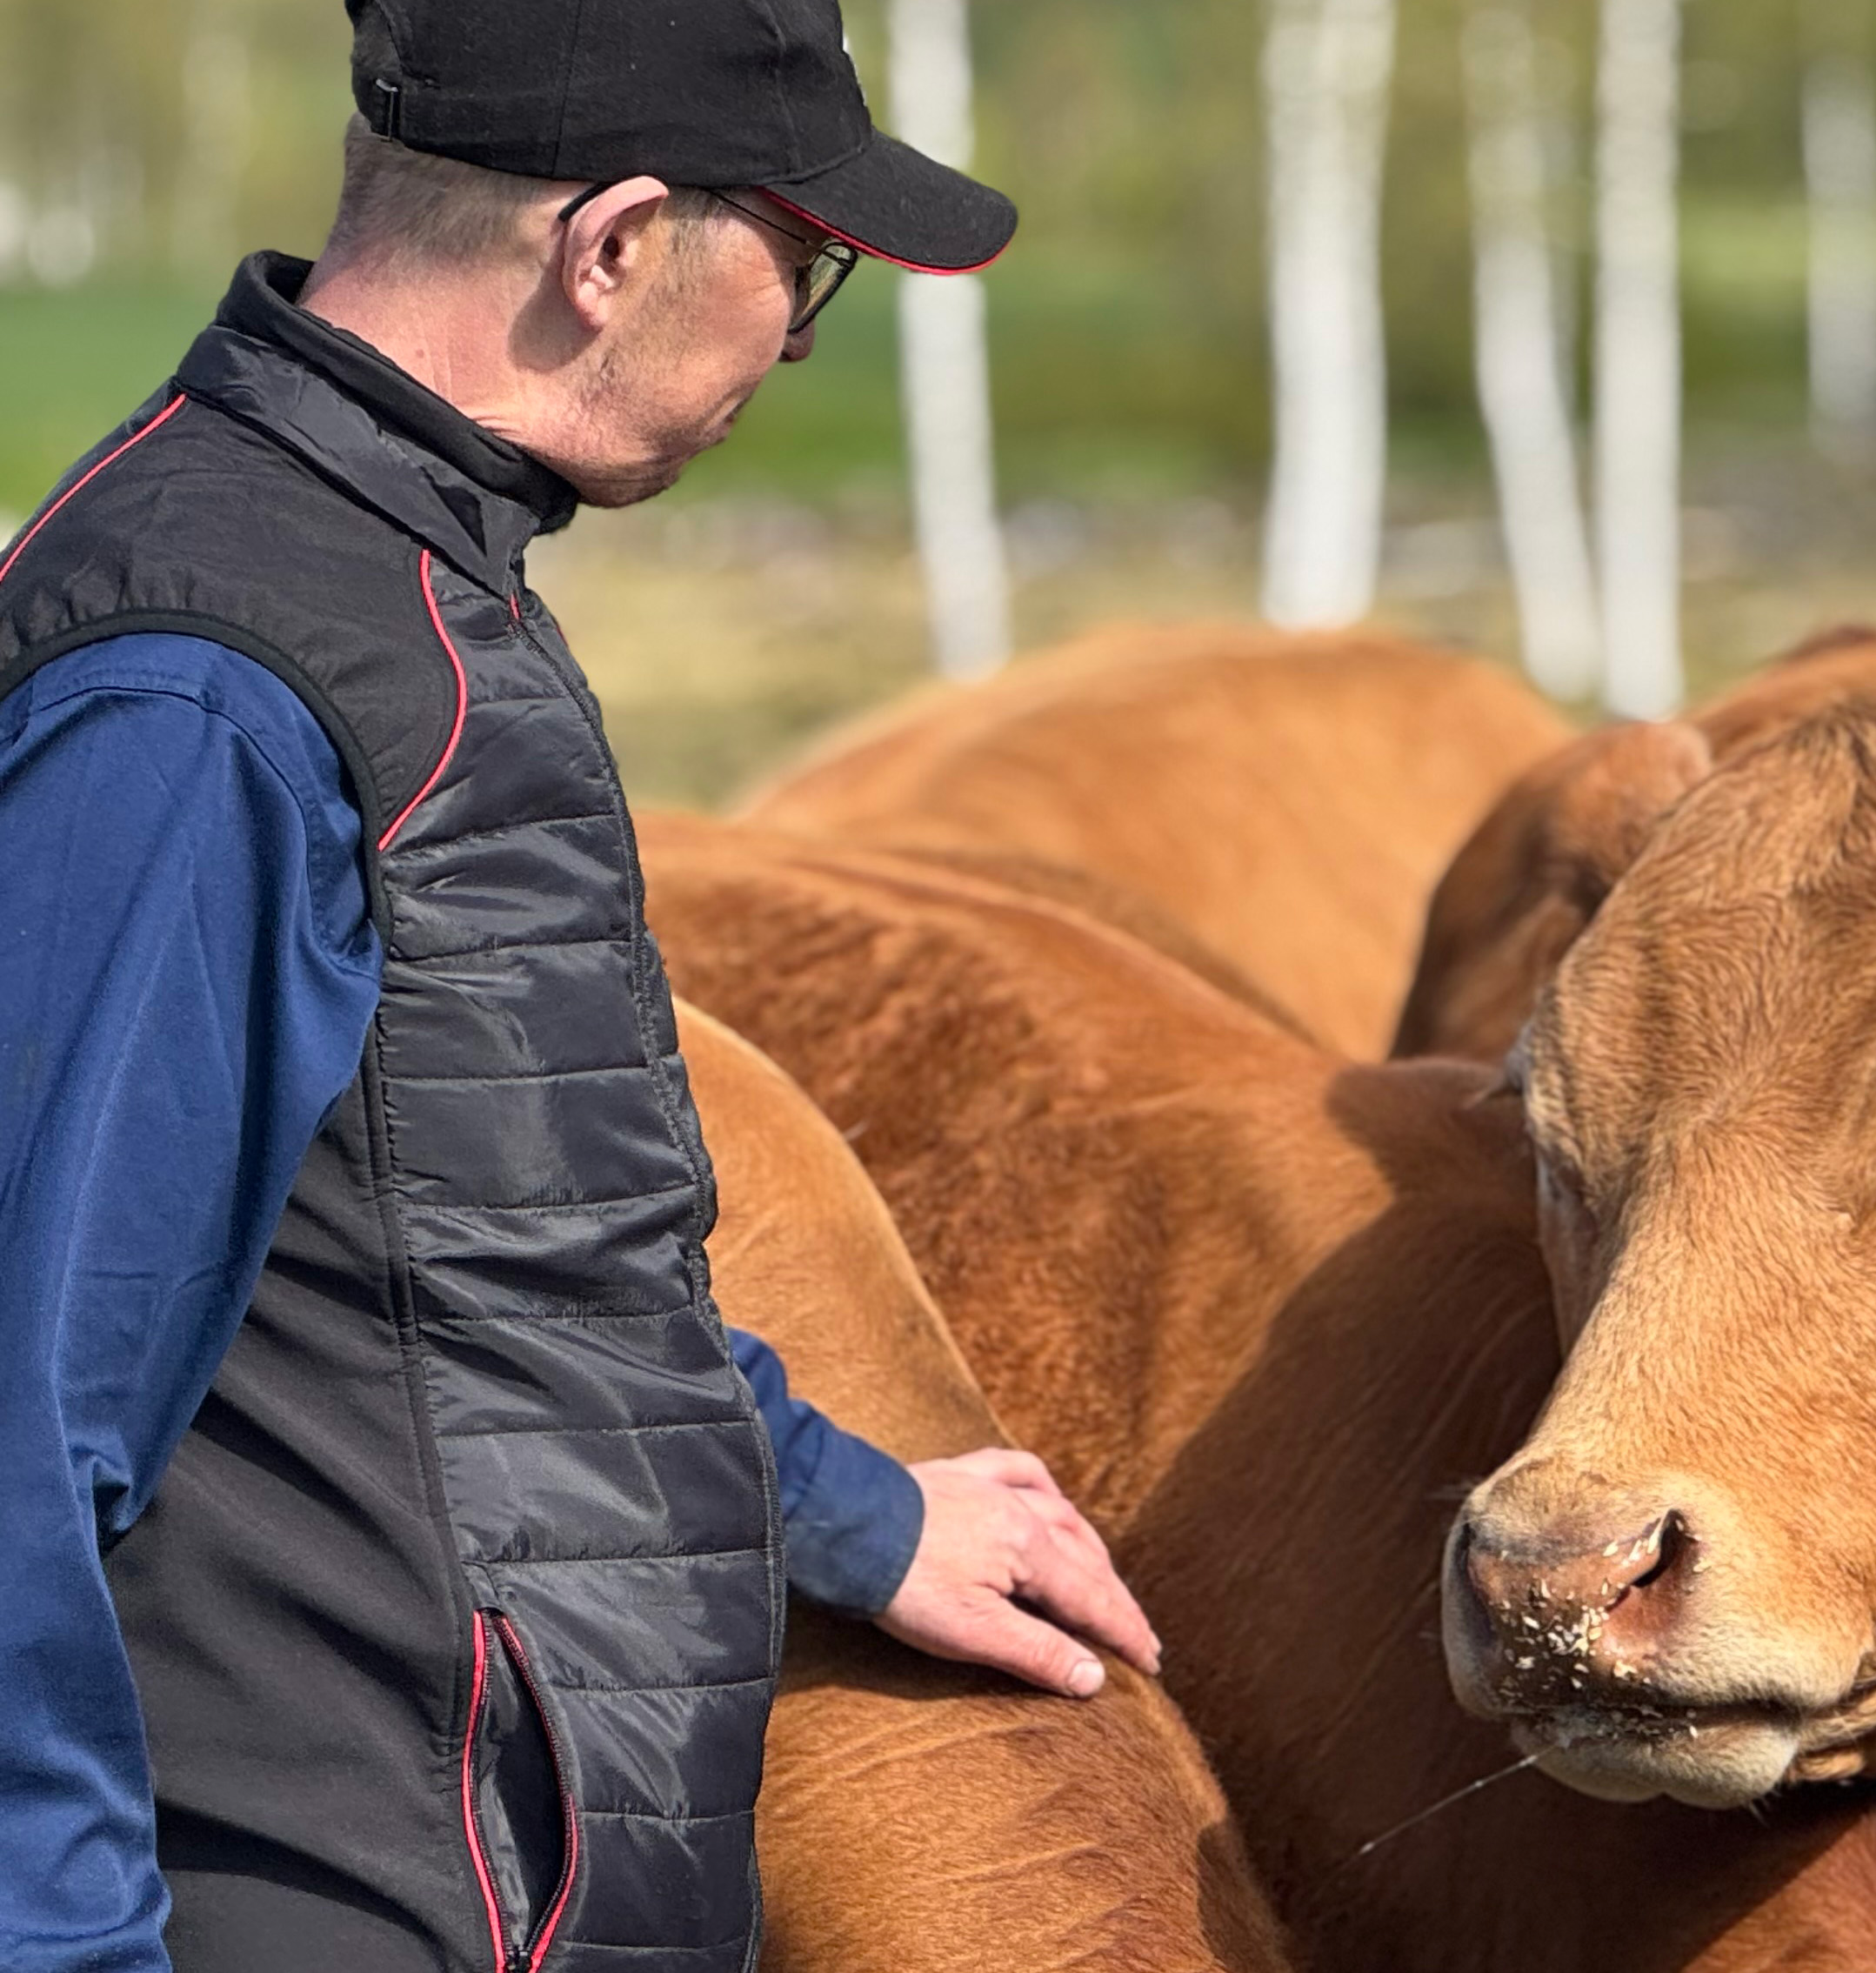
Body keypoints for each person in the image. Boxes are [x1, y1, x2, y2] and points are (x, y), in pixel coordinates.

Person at [0, 3, 1160, 1969]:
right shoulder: (211, 687)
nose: (799, 339)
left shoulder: (390, 586)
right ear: (612, 246)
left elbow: (485, 1265)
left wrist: (848, 1512)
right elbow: (21, 1413)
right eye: (809, 266)